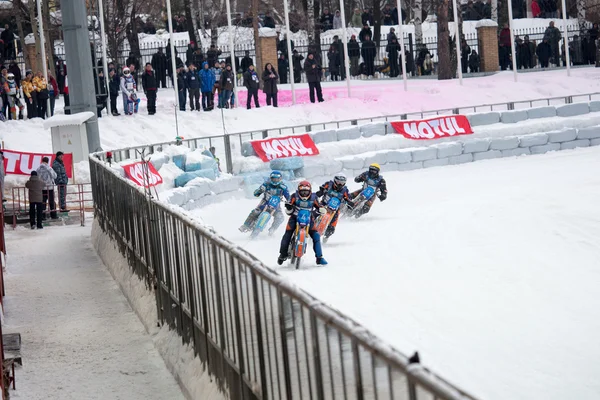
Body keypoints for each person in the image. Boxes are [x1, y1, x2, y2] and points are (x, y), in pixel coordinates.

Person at [277, 181, 328, 266]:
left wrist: (321, 209)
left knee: (316, 236)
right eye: (302, 192)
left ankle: (319, 258)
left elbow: (319, 205)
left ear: (310, 191)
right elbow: (289, 203)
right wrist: (288, 206)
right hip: (294, 218)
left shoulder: (314, 197)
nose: (304, 194)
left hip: (309, 219)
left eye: (306, 192)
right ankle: (283, 254)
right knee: (287, 234)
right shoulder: (294, 196)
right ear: (299, 191)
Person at [315, 175, 353, 239]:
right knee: (314, 214)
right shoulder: (329, 184)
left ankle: (326, 236)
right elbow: (322, 188)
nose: (340, 184)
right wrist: (321, 192)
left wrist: (349, 202)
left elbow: (348, 197)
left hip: (335, 209)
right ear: (335, 181)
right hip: (324, 204)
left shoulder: (345, 190)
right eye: (338, 182)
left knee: (332, 227)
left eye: (342, 183)